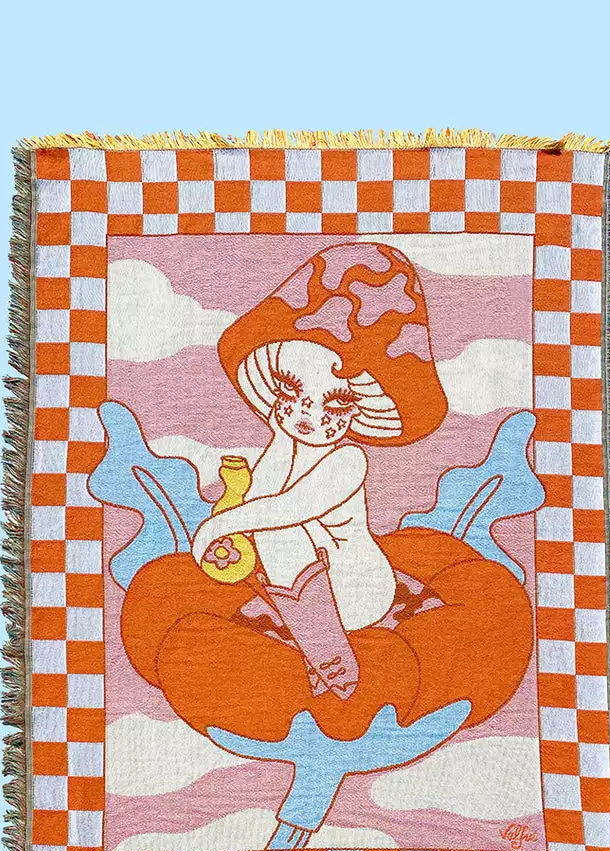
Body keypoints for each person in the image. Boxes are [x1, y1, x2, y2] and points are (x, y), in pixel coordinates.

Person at [120, 242, 533, 743]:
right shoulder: (283, 445)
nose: (307, 417)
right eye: (289, 393)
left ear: (358, 412)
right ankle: (303, 632)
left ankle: (330, 658)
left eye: (334, 405)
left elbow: (287, 507)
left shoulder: (348, 460)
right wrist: (235, 501)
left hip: (357, 593)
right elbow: (260, 495)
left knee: (285, 531)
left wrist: (221, 524)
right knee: (267, 544)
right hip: (290, 587)